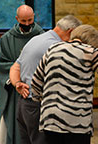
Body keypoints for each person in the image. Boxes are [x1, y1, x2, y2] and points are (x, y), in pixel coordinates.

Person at [31, 24, 98, 144]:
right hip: (76, 121)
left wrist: (42, 101)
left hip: (51, 118)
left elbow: (36, 82)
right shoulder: (89, 51)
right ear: (92, 42)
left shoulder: (52, 49)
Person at [9, 15, 82, 144]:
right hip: (39, 106)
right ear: (71, 31)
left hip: (24, 104)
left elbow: (15, 67)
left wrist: (17, 83)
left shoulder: (35, 40)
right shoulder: (56, 46)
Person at [0, 4, 45, 144]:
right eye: (24, 21)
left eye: (30, 20)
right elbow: (0, 63)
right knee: (15, 125)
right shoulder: (6, 39)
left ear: (34, 17)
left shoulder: (43, 37)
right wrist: (17, 75)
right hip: (14, 91)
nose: (27, 24)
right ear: (17, 19)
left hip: (36, 88)